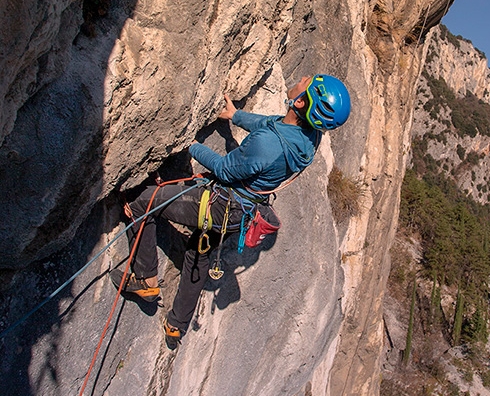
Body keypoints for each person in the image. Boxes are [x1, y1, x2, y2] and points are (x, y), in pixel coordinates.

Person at [112, 74, 351, 349]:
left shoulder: (269, 145)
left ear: (298, 102)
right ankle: (176, 326)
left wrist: (188, 144)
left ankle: (145, 279)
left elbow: (225, 169)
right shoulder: (308, 136)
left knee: (143, 202)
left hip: (219, 205)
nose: (301, 78)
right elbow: (269, 125)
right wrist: (236, 116)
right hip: (240, 213)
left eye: (305, 81)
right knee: (198, 255)